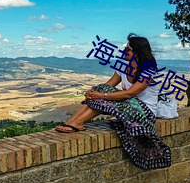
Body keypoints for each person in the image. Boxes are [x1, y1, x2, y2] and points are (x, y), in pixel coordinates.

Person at [55, 33, 171, 169]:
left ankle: (78, 122)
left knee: (103, 95)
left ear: (137, 52)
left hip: (144, 112)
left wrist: (101, 95)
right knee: (101, 89)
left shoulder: (148, 70)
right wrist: (93, 93)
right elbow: (108, 86)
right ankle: (73, 121)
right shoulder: (123, 66)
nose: (124, 51)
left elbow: (130, 93)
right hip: (128, 105)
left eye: (128, 48)